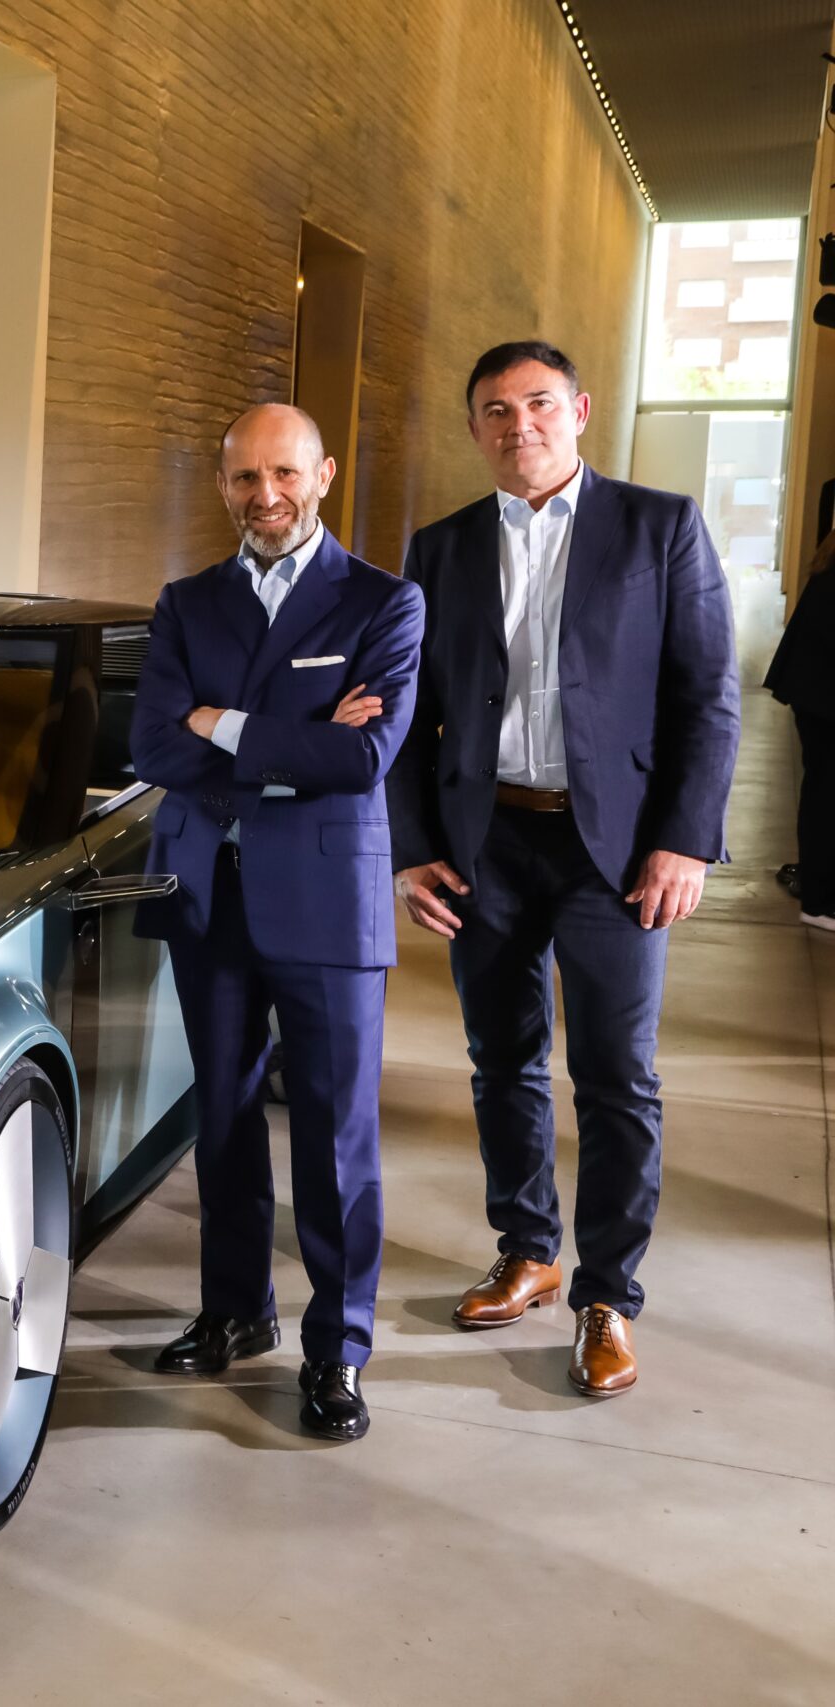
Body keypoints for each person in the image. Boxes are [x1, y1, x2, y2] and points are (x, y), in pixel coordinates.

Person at [389, 340, 739, 1397]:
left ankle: (608, 1297)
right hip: (485, 841)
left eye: (538, 403)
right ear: (474, 428)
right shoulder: (441, 547)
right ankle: (528, 1249)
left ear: (579, 411)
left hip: (617, 851)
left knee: (617, 1076)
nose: (520, 425)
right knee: (501, 1059)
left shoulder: (658, 526)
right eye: (496, 411)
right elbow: (409, 714)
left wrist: (684, 839)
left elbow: (707, 695)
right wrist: (414, 848)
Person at [129, 403, 425, 1442]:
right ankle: (234, 1310)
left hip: (326, 900)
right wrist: (292, 740)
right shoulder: (186, 603)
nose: (267, 495)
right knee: (220, 1117)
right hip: (207, 892)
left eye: (285, 473)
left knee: (335, 1137)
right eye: (246, 477)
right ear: (223, 485)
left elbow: (361, 757)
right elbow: (153, 747)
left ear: (323, 474)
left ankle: (338, 1349)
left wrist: (221, 722)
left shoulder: (382, 602)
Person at [764, 534, 835, 930]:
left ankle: (817, 887)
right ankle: (819, 902)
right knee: (825, 798)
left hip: (816, 694)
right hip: (823, 696)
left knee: (822, 794)